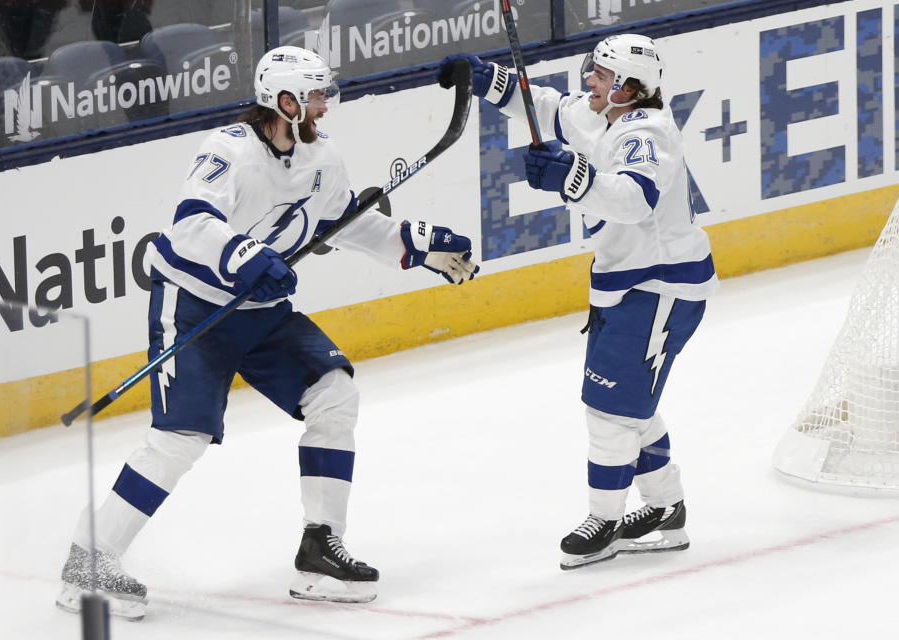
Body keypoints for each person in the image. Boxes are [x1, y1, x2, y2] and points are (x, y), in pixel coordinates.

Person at [56, 45, 478, 619]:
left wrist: (416, 247)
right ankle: (89, 561)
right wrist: (244, 256)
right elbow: (190, 227)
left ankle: (319, 546)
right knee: (181, 440)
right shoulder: (229, 152)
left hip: (264, 314)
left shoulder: (322, 157)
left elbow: (347, 224)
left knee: (334, 395)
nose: (326, 104)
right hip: (197, 309)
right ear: (285, 101)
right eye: (316, 95)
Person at [438, 34, 717, 570]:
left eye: (600, 73)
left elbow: (635, 200)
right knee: (631, 405)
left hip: (659, 287)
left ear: (630, 87)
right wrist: (485, 78)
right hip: (623, 284)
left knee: (610, 410)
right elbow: (543, 106)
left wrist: (570, 175)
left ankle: (605, 521)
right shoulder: (600, 114)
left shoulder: (647, 132)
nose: (589, 78)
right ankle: (666, 509)